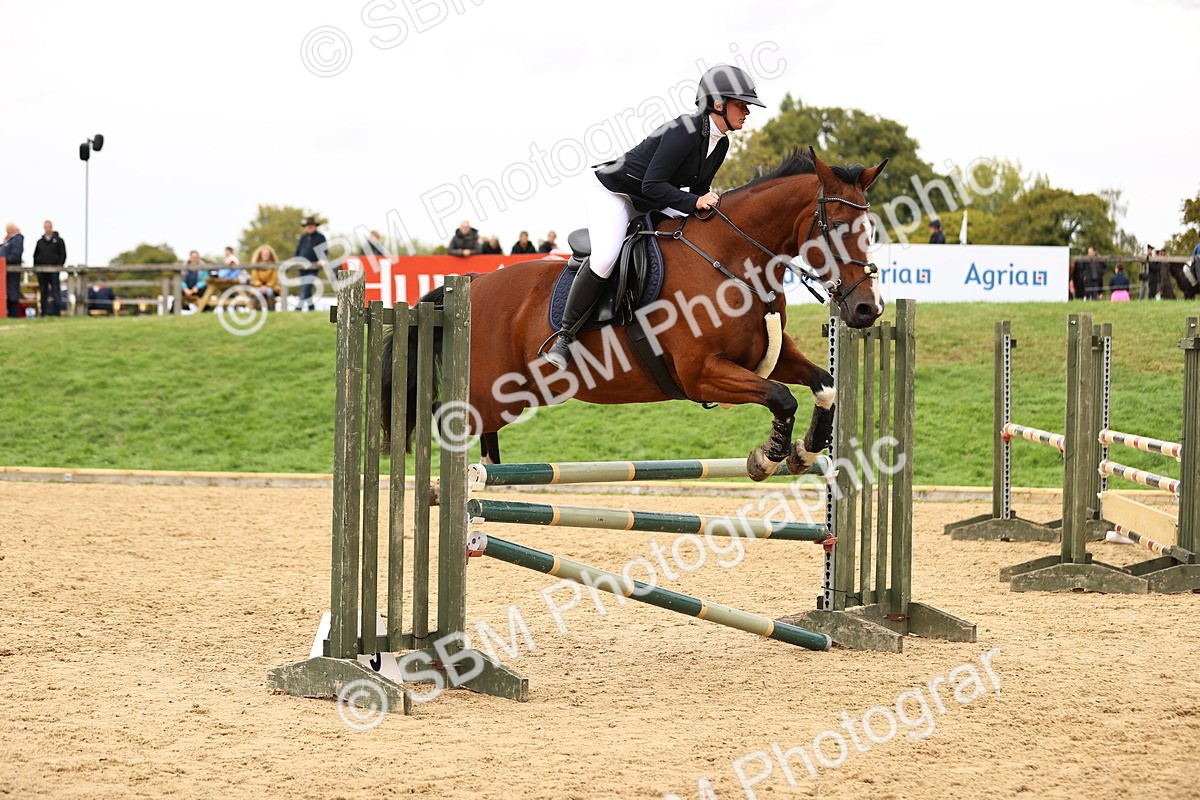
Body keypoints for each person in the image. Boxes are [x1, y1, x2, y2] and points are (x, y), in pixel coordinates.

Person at [544, 64, 764, 369]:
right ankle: (565, 337)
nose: (747, 112)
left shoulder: (721, 142)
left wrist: (704, 203)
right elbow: (652, 183)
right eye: (741, 105)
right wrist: (695, 200)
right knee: (606, 257)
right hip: (616, 194)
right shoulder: (682, 130)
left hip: (652, 197)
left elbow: (697, 189)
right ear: (717, 103)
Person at [32, 220, 66, 317]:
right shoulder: (40, 242)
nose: (48, 229)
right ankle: (44, 312)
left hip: (54, 271)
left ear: (52, 227)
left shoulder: (59, 241)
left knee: (55, 291)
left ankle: (56, 312)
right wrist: (36, 268)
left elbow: (63, 255)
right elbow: (35, 256)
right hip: (42, 271)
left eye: (49, 227)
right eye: (46, 227)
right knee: (43, 292)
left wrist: (58, 266)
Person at [295, 216, 326, 311]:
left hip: (313, 267)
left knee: (306, 287)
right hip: (302, 267)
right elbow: (298, 251)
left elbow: (324, 251)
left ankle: (298, 308)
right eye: (308, 226)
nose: (309, 227)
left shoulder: (320, 237)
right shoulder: (303, 238)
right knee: (306, 288)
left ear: (315, 226)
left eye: (311, 225)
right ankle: (311, 308)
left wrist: (322, 259)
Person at [1, 222, 26, 319]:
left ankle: (14, 316)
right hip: (4, 271)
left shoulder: (17, 238)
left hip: (12, 270)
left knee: (13, 294)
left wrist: (6, 260)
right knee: (6, 294)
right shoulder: (7, 240)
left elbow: (15, 255)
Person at [249, 245, 281, 310]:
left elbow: (274, 279)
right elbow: (255, 278)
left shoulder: (273, 266)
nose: (265, 255)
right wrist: (260, 286)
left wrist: (267, 286)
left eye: (267, 254)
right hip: (258, 287)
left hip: (271, 287)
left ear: (270, 255)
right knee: (257, 292)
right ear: (260, 255)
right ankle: (255, 311)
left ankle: (271, 310)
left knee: (269, 291)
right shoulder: (256, 265)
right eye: (264, 254)